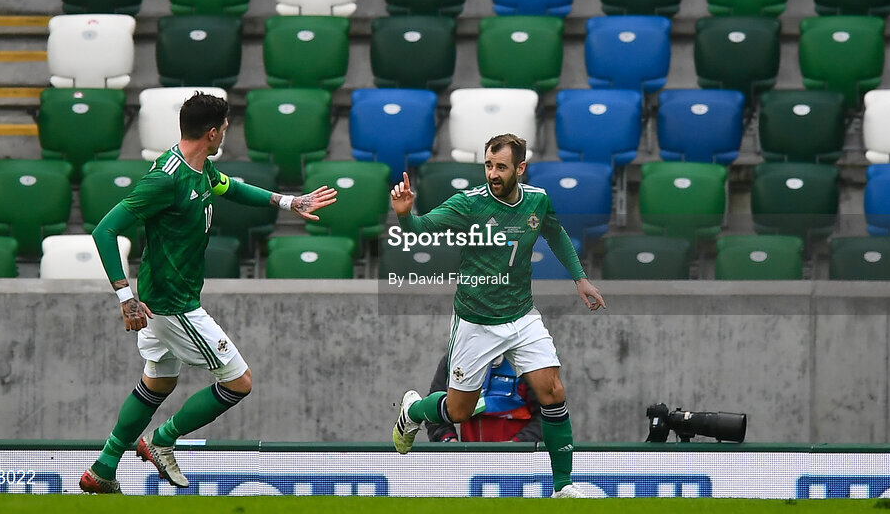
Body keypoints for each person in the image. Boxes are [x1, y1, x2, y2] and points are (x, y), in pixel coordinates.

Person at [80, 92, 337, 494]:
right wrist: (124, 297)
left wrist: (288, 201)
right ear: (212, 132)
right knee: (239, 382)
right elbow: (104, 230)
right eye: (225, 129)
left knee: (157, 383)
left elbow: (230, 187)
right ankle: (163, 440)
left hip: (161, 300)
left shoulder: (198, 169)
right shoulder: (166, 179)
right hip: (172, 306)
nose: (226, 136)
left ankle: (103, 468)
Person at [389, 133, 605, 499]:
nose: (492, 173)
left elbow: (556, 234)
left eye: (500, 167)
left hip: (521, 316)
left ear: (520, 168)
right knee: (458, 411)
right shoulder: (468, 204)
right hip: (476, 321)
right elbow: (420, 231)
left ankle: (563, 486)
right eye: (488, 165)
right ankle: (413, 411)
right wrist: (406, 214)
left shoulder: (537, 200)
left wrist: (580, 279)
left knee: (552, 390)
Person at [426, 354, 541, 444]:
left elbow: (546, 416)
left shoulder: (529, 361)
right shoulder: (455, 360)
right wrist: (450, 442)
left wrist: (515, 446)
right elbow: (433, 412)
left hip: (520, 465)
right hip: (471, 465)